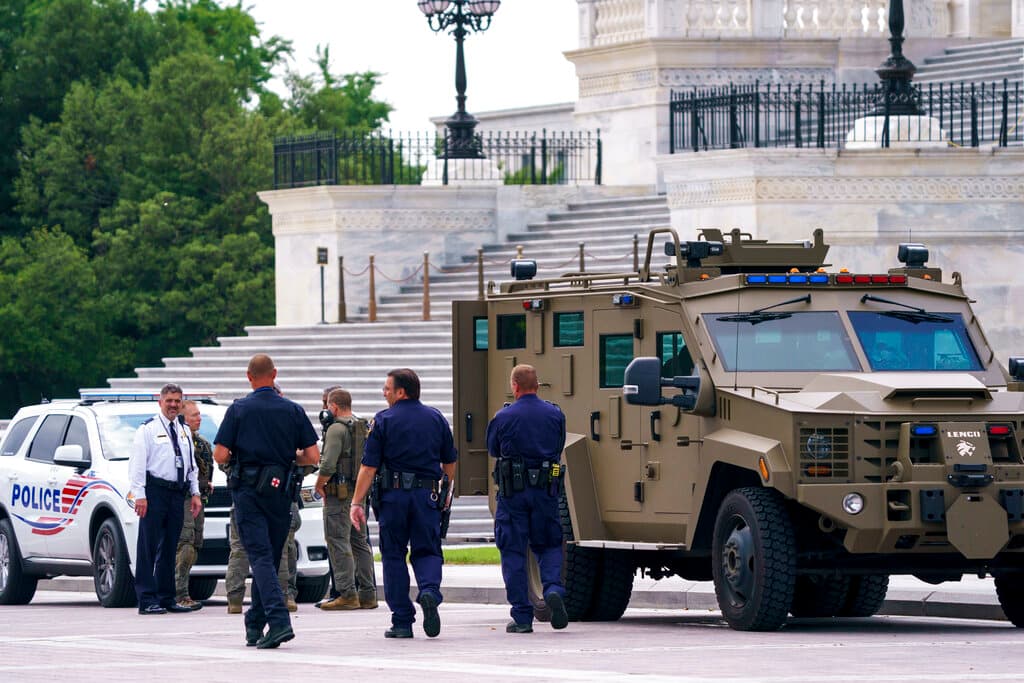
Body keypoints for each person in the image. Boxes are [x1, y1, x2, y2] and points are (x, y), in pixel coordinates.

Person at [213, 354, 319, 649]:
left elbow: (220, 455)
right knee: (270, 559)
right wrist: (287, 459)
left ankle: (280, 621)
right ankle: (255, 625)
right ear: (274, 374)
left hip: (248, 492)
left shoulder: (239, 410)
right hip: (280, 492)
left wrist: (243, 460)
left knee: (259, 557)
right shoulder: (292, 410)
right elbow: (312, 457)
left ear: (249, 377)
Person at [350, 368, 456, 639]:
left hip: (393, 497)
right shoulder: (436, 418)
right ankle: (430, 591)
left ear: (401, 391)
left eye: (387, 388)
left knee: (394, 555)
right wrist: (445, 491)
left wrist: (356, 502)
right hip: (426, 496)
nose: (383, 393)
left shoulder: (383, 420)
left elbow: (369, 467)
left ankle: (402, 621)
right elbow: (450, 463)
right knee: (428, 550)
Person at [486, 364, 568, 634]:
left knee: (513, 551)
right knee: (548, 544)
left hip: (514, 494)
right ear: (537, 384)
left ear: (515, 386)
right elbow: (558, 447)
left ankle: (522, 616)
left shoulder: (503, 417)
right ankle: (553, 589)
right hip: (545, 491)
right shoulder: (555, 414)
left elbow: (493, 449)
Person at [128, 383, 203, 615]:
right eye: (169, 400)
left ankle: (166, 596)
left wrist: (195, 492)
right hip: (154, 492)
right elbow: (137, 465)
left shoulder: (182, 430)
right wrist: (139, 495)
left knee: (170, 546)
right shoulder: (148, 430)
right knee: (148, 546)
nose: (173, 405)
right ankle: (146, 598)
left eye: (177, 401)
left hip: (176, 493)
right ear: (160, 402)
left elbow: (191, 464)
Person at [315, 388, 376, 610]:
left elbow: (329, 464)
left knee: (337, 540)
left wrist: (319, 484)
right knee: (360, 542)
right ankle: (368, 594)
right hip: (359, 491)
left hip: (338, 494)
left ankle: (347, 593)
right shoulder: (361, 426)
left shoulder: (336, 429)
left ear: (334, 407)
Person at [173, 400, 215, 610]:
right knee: (185, 544)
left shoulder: (203, 444)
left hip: (199, 500)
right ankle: (179, 593)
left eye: (199, 415)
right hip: (184, 500)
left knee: (195, 544)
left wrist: (206, 485)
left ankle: (182, 590)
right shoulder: (178, 442)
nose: (199, 418)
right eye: (194, 415)